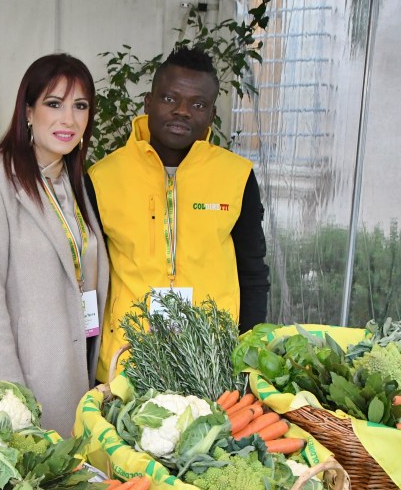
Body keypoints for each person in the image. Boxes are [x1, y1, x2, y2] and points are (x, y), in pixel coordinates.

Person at [90, 44, 270, 383]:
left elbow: (253, 274)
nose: (183, 111)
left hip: (214, 366)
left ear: (212, 114)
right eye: (170, 99)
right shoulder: (102, 178)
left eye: (198, 104)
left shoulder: (236, 176)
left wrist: (248, 359)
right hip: (125, 364)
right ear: (148, 102)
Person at [0, 53, 108, 436]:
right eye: (54, 104)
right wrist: (11, 402)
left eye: (80, 106)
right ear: (27, 111)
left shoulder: (76, 182)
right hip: (24, 386)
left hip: (77, 370)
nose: (68, 119)